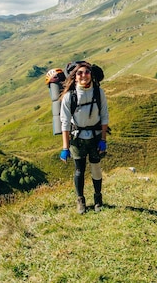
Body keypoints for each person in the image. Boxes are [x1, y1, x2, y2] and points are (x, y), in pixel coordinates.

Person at [59, 61, 109, 214]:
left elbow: (104, 116)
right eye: (79, 73)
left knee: (96, 168)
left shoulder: (99, 93)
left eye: (86, 72)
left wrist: (103, 139)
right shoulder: (69, 97)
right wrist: (65, 148)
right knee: (79, 170)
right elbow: (65, 123)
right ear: (74, 77)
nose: (83, 76)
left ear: (91, 75)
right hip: (77, 139)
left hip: (95, 137)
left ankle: (98, 199)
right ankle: (80, 200)